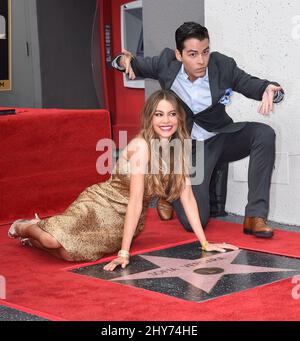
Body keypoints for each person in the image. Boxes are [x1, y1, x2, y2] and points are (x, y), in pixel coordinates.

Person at [8, 90, 238, 269]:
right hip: (100, 205)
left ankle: (34, 239)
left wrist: (205, 243)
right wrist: (124, 253)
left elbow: (186, 196)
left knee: (69, 254)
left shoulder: (178, 149)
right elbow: (136, 201)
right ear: (150, 118)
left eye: (171, 114)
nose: (165, 120)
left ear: (179, 117)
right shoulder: (142, 147)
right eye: (159, 114)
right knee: (51, 242)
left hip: (125, 222)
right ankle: (26, 226)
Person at [112, 22, 284, 238]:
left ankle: (255, 216)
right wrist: (122, 60)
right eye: (193, 54)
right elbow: (130, 64)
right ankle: (168, 189)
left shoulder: (222, 65)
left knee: (264, 133)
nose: (201, 60)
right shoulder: (166, 64)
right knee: (196, 222)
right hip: (189, 148)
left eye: (205, 52)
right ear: (179, 54)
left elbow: (251, 84)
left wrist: (271, 90)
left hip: (220, 136)